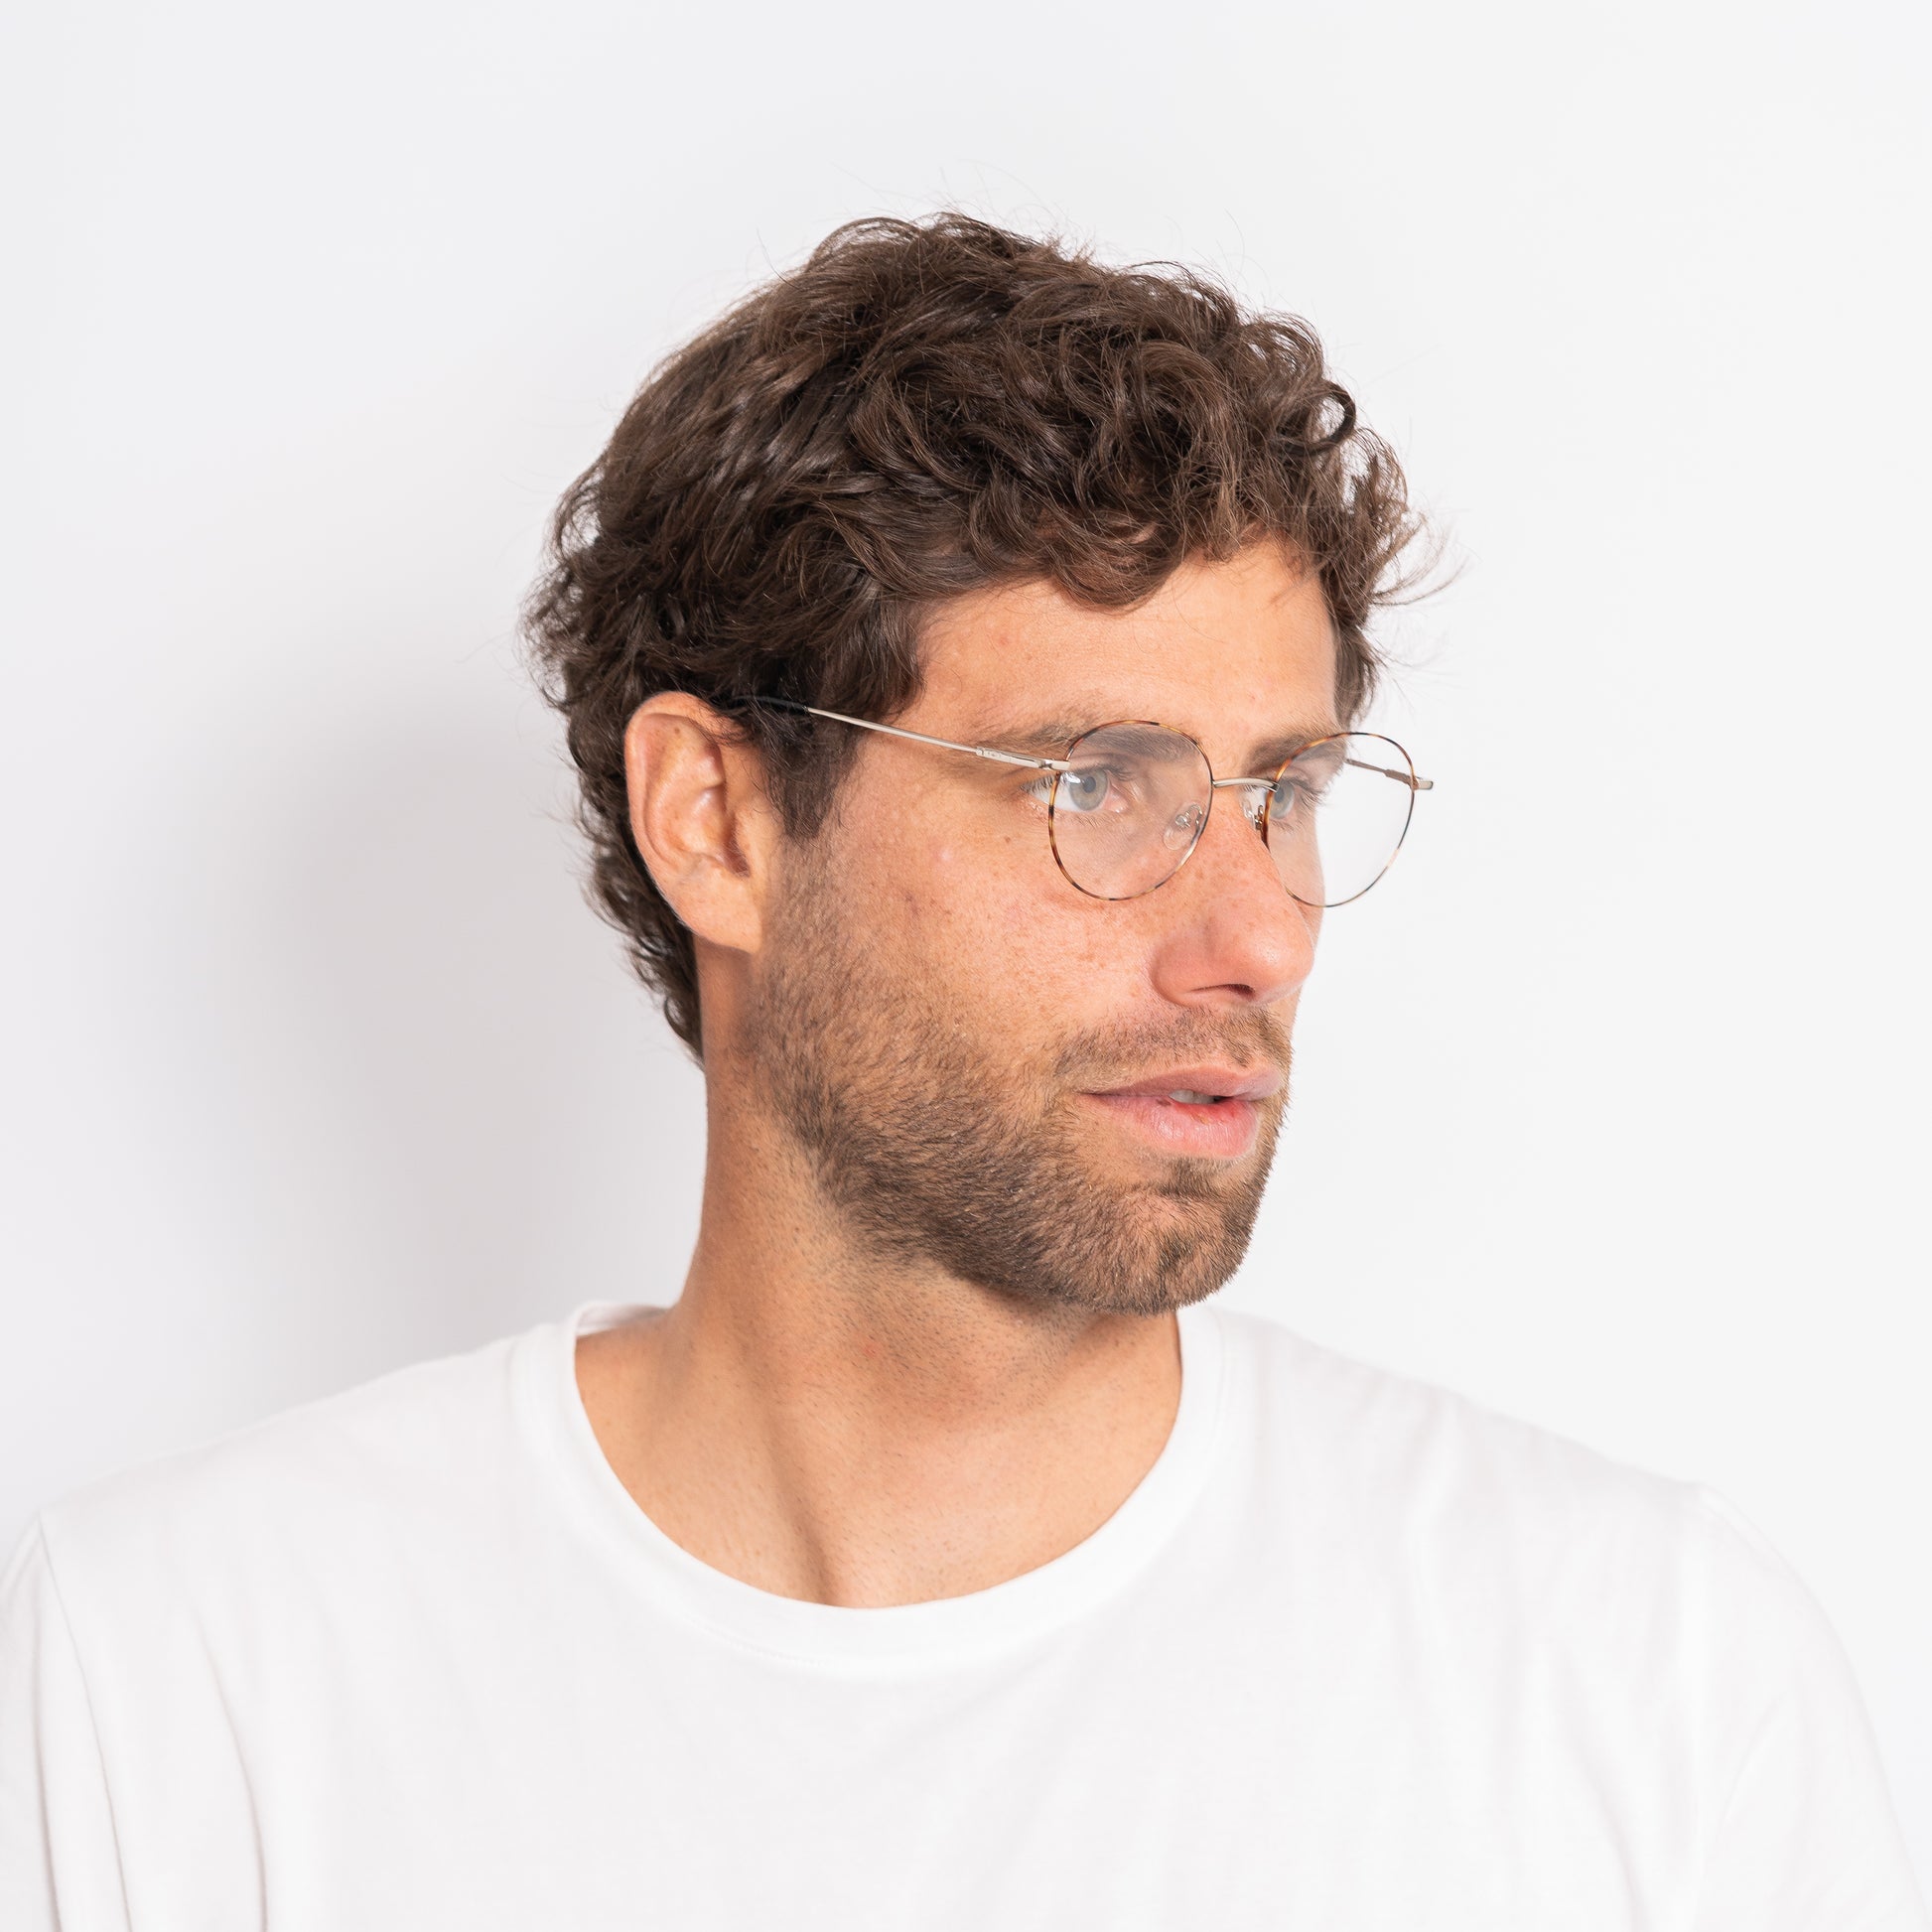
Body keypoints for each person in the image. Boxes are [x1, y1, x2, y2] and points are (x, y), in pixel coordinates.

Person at [0, 213, 1923, 1931]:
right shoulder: (176, 1676)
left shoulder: (1641, 1675)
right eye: (1096, 786)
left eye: (1283, 792)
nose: (1256, 933)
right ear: (718, 821)